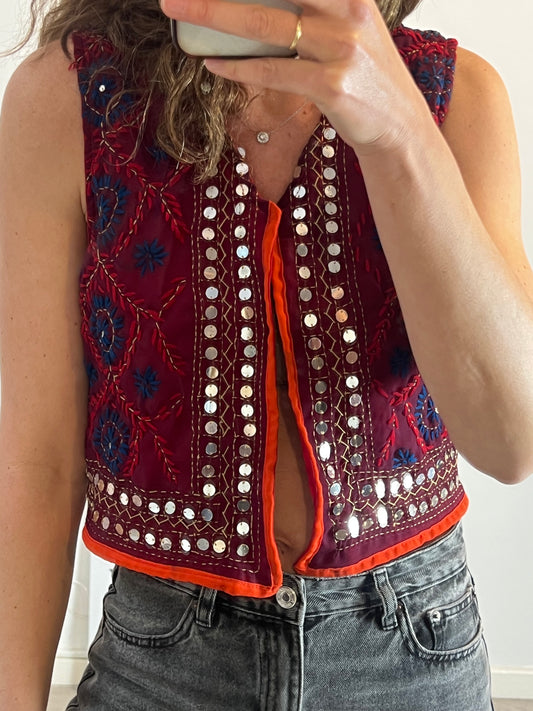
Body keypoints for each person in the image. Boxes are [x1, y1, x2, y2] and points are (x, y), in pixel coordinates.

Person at [1, 0, 532, 708]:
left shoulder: (457, 96)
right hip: (160, 658)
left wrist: (399, 133)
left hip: (411, 648)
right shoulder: (69, 96)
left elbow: (512, 443)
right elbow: (37, 464)